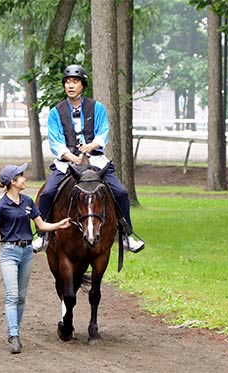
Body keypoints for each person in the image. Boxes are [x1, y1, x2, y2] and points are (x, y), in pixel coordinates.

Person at [32, 64, 145, 253]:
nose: (70, 85)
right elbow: (55, 140)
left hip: (95, 161)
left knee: (121, 193)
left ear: (82, 85)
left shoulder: (97, 108)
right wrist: (72, 157)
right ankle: (43, 236)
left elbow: (103, 132)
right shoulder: (55, 112)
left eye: (75, 82)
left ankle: (126, 235)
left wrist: (92, 145)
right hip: (67, 163)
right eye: (67, 82)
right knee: (47, 193)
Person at [0, 163, 71, 354]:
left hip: (27, 253)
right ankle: (13, 335)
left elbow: (41, 225)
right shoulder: (0, 207)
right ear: (12, 182)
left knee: (21, 297)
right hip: (9, 253)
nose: (25, 178)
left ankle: (16, 331)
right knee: (12, 295)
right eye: (21, 176)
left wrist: (59, 225)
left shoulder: (28, 202)